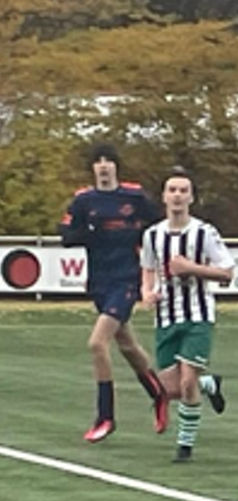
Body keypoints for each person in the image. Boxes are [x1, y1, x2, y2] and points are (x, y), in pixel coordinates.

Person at [59, 142, 167, 442]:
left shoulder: (134, 197)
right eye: (98, 161)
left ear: (116, 166)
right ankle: (159, 394)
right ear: (93, 168)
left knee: (97, 343)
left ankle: (105, 416)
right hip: (100, 282)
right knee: (129, 346)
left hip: (127, 280)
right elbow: (66, 236)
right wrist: (88, 233)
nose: (104, 166)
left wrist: (153, 267)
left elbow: (159, 230)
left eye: (109, 160)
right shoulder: (84, 201)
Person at [140, 168, 233, 463]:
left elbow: (227, 273)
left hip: (198, 315)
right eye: (172, 190)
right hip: (166, 317)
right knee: (169, 389)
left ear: (191, 197)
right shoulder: (152, 235)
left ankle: (185, 446)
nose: (177, 195)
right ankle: (210, 384)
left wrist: (191, 268)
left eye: (183, 190)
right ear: (164, 197)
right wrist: (147, 292)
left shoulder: (204, 233)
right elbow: (148, 269)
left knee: (187, 382)